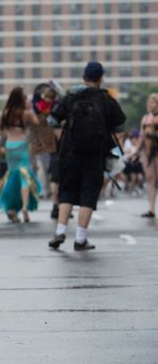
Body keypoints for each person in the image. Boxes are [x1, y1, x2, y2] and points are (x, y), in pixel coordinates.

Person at [48, 62, 126, 251]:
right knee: (88, 194)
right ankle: (80, 239)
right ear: (101, 78)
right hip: (95, 154)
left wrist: (65, 133)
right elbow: (120, 126)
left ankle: (60, 232)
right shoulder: (106, 99)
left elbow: (51, 120)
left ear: (84, 77)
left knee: (67, 191)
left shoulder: (70, 96)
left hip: (69, 152)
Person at [0, 87, 42, 223]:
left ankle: (11, 207)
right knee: (25, 177)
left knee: (12, 176)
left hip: (9, 146)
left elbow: (3, 131)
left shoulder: (6, 112)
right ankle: (24, 207)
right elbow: (37, 122)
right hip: (22, 145)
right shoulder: (26, 113)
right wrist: (30, 109)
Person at [138, 94, 158, 218]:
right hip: (147, 151)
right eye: (149, 102)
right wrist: (136, 152)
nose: (150, 105)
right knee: (150, 178)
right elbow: (141, 136)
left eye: (153, 102)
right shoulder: (145, 118)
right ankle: (151, 209)